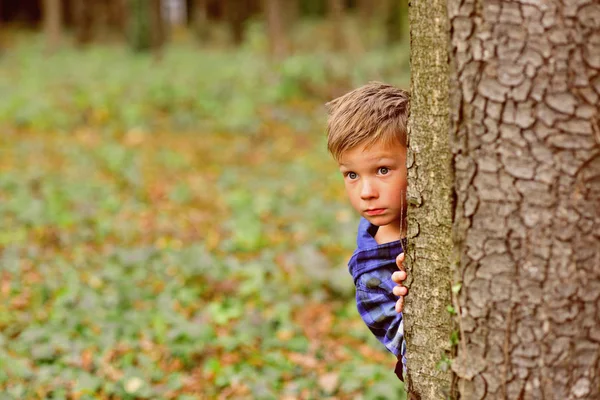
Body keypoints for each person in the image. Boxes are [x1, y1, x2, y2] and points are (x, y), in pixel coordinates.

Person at [325, 82, 409, 380]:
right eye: (351, 175)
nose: (366, 192)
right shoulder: (372, 278)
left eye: (383, 170)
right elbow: (416, 357)